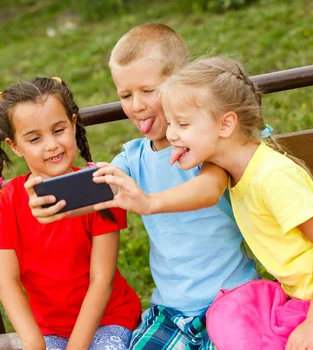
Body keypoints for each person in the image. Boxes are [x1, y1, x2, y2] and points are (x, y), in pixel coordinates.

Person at [93, 56, 313, 350]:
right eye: (170, 122)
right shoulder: (233, 174)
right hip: (303, 299)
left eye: (182, 124)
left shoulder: (273, 176)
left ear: (225, 125)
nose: (171, 135)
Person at [27, 24, 259, 350]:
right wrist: (54, 205)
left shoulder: (206, 146)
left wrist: (149, 202)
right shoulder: (132, 158)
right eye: (125, 95)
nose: (136, 106)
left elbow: (208, 188)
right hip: (169, 311)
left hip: (233, 298)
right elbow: (101, 192)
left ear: (181, 83)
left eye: (148, 91)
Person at [0, 77, 141, 350]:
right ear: (15, 146)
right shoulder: (5, 203)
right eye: (35, 138)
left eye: (58, 130)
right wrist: (34, 343)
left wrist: (76, 347)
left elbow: (101, 280)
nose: (51, 145)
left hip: (109, 319)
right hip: (48, 331)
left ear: (73, 124)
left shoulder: (98, 189)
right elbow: (7, 283)